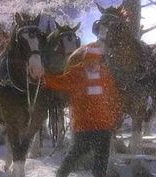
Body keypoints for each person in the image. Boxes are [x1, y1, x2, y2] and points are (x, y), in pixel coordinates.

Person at [44, 46, 123, 177]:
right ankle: (60, 175)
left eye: (95, 61)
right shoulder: (77, 73)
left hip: (104, 126)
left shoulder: (105, 74)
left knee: (101, 159)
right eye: (89, 60)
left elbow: (113, 97)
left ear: (99, 61)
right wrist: (44, 78)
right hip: (84, 125)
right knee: (75, 154)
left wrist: (116, 116)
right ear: (85, 60)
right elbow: (60, 81)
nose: (92, 64)